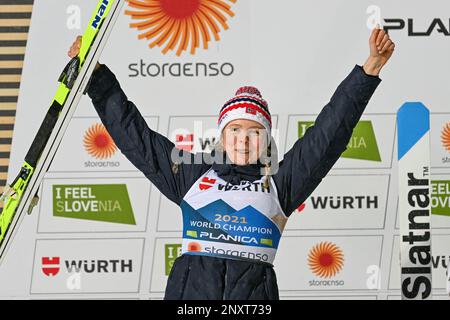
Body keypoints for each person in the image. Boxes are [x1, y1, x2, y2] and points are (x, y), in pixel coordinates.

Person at [68, 26, 395, 300]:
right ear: (223, 136)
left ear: (266, 141)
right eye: (235, 129)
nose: (243, 139)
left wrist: (369, 70)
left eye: (254, 132)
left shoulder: (280, 183)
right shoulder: (191, 174)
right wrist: (97, 79)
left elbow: (328, 136)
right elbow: (134, 136)